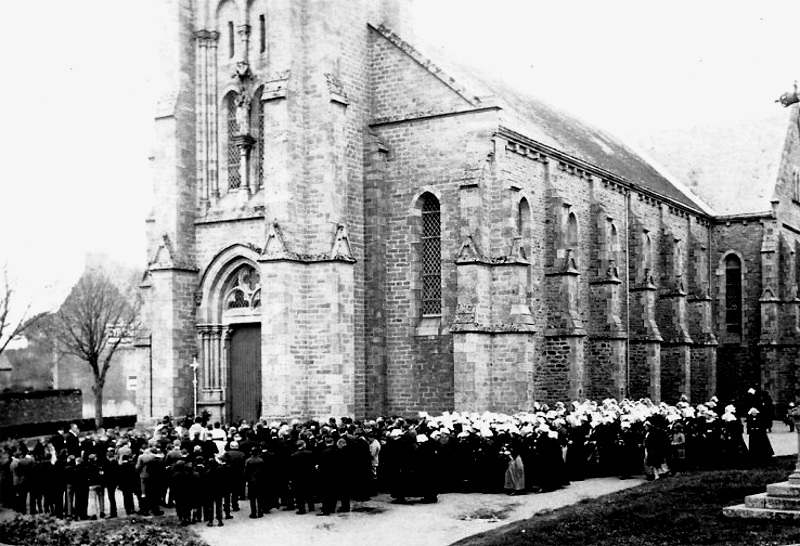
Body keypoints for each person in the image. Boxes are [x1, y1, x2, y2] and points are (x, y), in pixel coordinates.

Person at [290, 440, 316, 514]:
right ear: (303, 445)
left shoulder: (294, 456)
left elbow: (292, 469)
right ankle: (311, 507)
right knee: (309, 492)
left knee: (299, 494)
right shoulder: (310, 453)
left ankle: (301, 509)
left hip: (298, 478)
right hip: (308, 476)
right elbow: (312, 465)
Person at [244, 447, 266, 518]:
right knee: (260, 497)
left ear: (251, 452)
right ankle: (260, 511)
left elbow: (246, 471)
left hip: (251, 481)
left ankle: (253, 513)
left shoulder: (248, 460)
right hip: (259, 480)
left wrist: (246, 480)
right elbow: (263, 471)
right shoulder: (261, 460)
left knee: (252, 498)